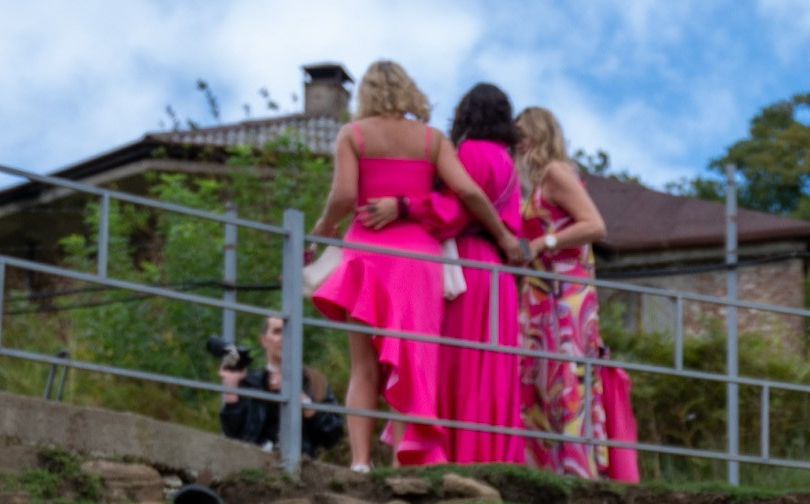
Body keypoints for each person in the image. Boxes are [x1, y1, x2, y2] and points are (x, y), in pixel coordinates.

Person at [309, 61, 524, 471]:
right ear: (409, 92)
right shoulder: (433, 140)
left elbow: (343, 195)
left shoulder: (353, 135)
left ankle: (359, 462)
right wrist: (504, 235)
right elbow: (468, 192)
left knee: (364, 365)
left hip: (367, 253)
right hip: (418, 260)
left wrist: (323, 228)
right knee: (412, 363)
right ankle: (404, 464)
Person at [512, 106, 615, 477]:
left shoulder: (555, 173)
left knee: (566, 376)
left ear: (539, 132)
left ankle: (576, 471)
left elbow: (594, 225)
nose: (517, 140)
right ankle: (550, 470)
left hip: (564, 290)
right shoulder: (537, 179)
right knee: (543, 377)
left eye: (522, 132)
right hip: (542, 291)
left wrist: (544, 242)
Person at [215, 315, 344, 459]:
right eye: (277, 332)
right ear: (263, 340)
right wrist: (231, 389)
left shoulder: (314, 381)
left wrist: (304, 402)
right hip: (252, 462)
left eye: (289, 332)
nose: (284, 338)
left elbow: (333, 435)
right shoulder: (250, 382)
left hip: (299, 463)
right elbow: (232, 434)